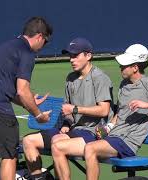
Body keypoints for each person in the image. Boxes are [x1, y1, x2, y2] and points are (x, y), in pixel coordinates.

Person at [0, 17, 53, 180]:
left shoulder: (6, 47)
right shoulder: (27, 53)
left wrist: (27, 102)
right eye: (45, 42)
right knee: (10, 155)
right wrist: (38, 114)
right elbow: (22, 90)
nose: (43, 47)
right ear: (39, 37)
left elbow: (8, 89)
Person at [84, 44, 148, 180]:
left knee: (90, 148)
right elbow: (120, 113)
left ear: (135, 68)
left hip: (128, 142)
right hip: (114, 136)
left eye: (124, 65)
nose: (120, 67)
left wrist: (146, 105)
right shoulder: (124, 84)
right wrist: (107, 128)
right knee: (77, 146)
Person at [22, 37, 114, 180]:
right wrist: (66, 123)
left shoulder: (100, 78)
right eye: (70, 56)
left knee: (57, 144)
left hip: (94, 132)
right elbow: (68, 111)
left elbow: (104, 110)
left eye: (75, 55)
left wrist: (75, 109)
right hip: (74, 130)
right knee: (28, 141)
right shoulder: (70, 78)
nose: (71, 59)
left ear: (88, 56)